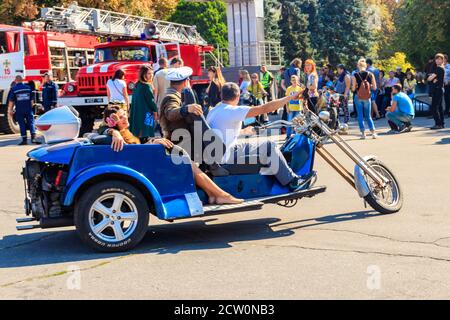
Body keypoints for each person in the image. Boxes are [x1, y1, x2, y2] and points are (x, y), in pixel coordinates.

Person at [100, 105, 242, 205]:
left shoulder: (126, 133)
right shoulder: (114, 133)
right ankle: (218, 195)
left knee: (187, 160)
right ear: (112, 122)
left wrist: (154, 140)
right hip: (145, 168)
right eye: (120, 117)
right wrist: (114, 132)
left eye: (125, 115)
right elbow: (103, 132)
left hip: (144, 163)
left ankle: (214, 194)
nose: (125, 118)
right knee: (187, 163)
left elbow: (138, 144)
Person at [206, 82, 314, 191]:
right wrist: (290, 97)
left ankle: (277, 172)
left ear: (221, 95)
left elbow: (220, 131)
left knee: (260, 144)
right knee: (269, 146)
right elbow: (264, 108)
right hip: (227, 156)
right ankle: (292, 181)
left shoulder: (214, 111)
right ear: (238, 96)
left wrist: (243, 131)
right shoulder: (232, 110)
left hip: (219, 154)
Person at [129, 65, 158, 142]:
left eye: (152, 73)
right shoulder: (146, 86)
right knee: (146, 136)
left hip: (137, 113)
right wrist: (155, 111)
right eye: (149, 73)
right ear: (143, 74)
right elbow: (151, 102)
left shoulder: (137, 84)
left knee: (138, 136)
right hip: (145, 114)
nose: (151, 75)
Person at [7, 75, 39, 145]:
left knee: (22, 124)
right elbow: (32, 100)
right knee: (31, 122)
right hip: (28, 109)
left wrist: (10, 110)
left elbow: (11, 101)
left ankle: (24, 140)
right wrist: (30, 107)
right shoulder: (28, 88)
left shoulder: (14, 89)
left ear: (16, 81)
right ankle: (33, 139)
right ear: (22, 80)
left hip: (19, 109)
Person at [351, 58, 378, 139]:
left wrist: (356, 86)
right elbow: (375, 87)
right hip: (367, 96)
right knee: (368, 116)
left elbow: (353, 89)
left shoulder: (355, 75)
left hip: (357, 96)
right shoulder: (370, 74)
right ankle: (373, 133)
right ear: (366, 66)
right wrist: (368, 86)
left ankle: (363, 134)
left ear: (358, 66)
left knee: (360, 115)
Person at [428, 53, 445, 129]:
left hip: (438, 89)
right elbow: (430, 79)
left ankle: (438, 124)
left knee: (434, 107)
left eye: (440, 59)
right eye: (436, 59)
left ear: (442, 60)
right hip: (439, 89)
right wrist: (433, 79)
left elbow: (429, 79)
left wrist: (433, 79)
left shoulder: (439, 68)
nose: (438, 60)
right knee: (439, 107)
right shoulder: (439, 68)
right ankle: (441, 123)